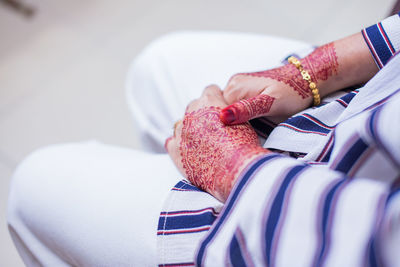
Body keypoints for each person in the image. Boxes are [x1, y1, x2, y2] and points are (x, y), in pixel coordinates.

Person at [7, 12, 400, 266]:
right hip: (362, 105)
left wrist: (234, 169)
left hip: (301, 231)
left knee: (33, 186)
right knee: (157, 67)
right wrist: (321, 69)